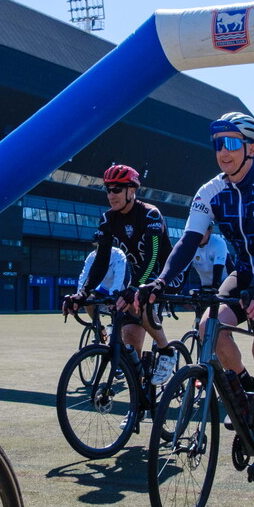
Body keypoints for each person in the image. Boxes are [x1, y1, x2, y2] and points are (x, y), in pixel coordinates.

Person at [137, 112, 254, 478]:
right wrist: (162, 281)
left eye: (231, 143)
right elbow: (187, 242)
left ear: (251, 147)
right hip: (245, 273)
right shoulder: (210, 191)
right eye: (218, 144)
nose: (223, 152)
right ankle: (247, 392)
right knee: (207, 330)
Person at [63, 164, 178, 385]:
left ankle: (166, 352)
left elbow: (152, 257)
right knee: (130, 342)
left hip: (165, 277)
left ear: (131, 190)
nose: (111, 194)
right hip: (139, 280)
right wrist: (83, 292)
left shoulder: (151, 214)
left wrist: (134, 288)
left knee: (140, 304)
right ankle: (139, 401)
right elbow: (101, 259)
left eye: (117, 189)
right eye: (108, 189)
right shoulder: (108, 219)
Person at [76, 241, 129, 342]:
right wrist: (79, 296)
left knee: (117, 314)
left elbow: (119, 277)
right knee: (88, 300)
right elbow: (84, 277)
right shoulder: (91, 257)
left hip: (120, 287)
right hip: (103, 288)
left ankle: (117, 335)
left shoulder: (118, 255)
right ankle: (99, 328)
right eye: (97, 247)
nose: (99, 250)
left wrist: (114, 296)